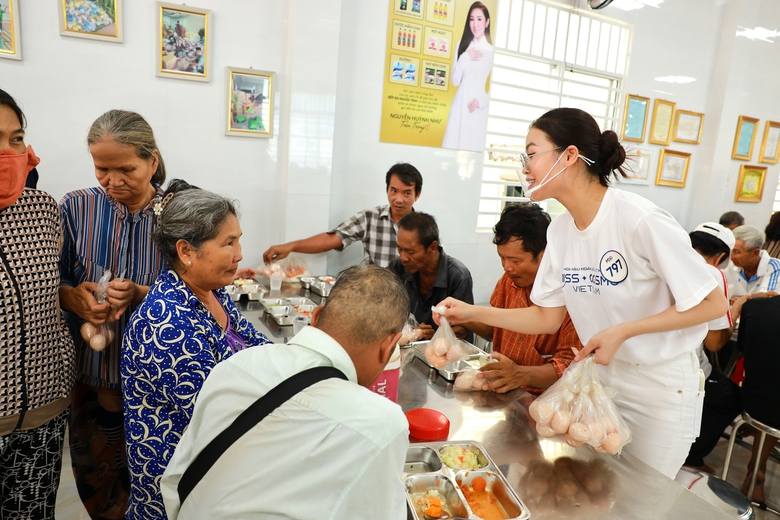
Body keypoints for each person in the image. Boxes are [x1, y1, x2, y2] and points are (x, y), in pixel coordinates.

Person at [435, 107, 727, 479]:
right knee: (595, 495)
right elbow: (546, 316)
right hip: (600, 384)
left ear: (569, 155)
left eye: (532, 153)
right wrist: (471, 312)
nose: (525, 167)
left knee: (642, 502)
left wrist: (624, 330)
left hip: (660, 389)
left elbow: (712, 301)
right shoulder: (560, 231)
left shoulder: (638, 219)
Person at [160, 265, 410, 519]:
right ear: (389, 345)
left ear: (316, 315)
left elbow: (175, 479)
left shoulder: (236, 365)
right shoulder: (382, 424)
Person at [122, 180, 271, 519]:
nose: (239, 254)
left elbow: (257, 348)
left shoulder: (213, 293)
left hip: (216, 476)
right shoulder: (166, 323)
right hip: (179, 491)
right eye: (228, 243)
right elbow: (219, 412)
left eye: (239, 240)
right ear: (187, 251)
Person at [59, 110, 167, 518]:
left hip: (154, 385)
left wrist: (141, 294)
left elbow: (198, 290)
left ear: (152, 162)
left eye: (126, 169)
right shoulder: (76, 207)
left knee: (155, 490)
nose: (113, 180)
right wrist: (73, 298)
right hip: (88, 376)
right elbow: (55, 278)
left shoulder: (176, 216)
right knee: (98, 488)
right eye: (102, 168)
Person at [0, 90, 75, 519]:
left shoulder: (43, 211)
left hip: (44, 413)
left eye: (16, 139)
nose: (8, 153)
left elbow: (48, 292)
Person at [463, 203, 579, 394]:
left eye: (516, 261)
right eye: (502, 258)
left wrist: (520, 374)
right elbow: (496, 330)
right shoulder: (508, 282)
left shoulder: (569, 297)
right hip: (506, 397)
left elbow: (569, 366)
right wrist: (463, 318)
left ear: (543, 256)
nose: (507, 267)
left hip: (548, 403)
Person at [263, 163, 423, 267]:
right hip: (373, 295)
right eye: (393, 191)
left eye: (407, 193)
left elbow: (435, 264)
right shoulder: (370, 218)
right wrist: (291, 246)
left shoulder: (424, 227)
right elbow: (331, 239)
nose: (398, 199)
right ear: (387, 189)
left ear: (417, 195)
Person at [682, 223, 742, 475]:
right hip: (685, 366)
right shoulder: (713, 273)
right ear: (720, 257)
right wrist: (736, 308)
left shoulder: (671, 260)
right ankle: (692, 457)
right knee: (730, 398)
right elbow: (714, 343)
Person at [387, 212, 473, 339]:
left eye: (410, 251)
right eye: (400, 249)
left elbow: (464, 327)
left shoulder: (458, 276)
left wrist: (436, 336)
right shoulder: (397, 267)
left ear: (432, 247)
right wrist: (412, 332)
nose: (403, 257)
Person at [442, 2, 494, 152]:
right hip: (459, 104)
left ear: (487, 22)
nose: (475, 24)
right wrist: (465, 57)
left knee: (471, 152)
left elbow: (495, 88)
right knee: (452, 150)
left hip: (477, 109)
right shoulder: (462, 45)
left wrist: (482, 101)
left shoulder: (491, 51)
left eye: (479, 19)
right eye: (472, 19)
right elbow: (455, 80)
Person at [726, 224, 780, 300]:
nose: (731, 256)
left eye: (737, 252)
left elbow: (768, 298)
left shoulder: (774, 267)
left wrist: (740, 300)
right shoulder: (727, 264)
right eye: (730, 250)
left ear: (755, 253)